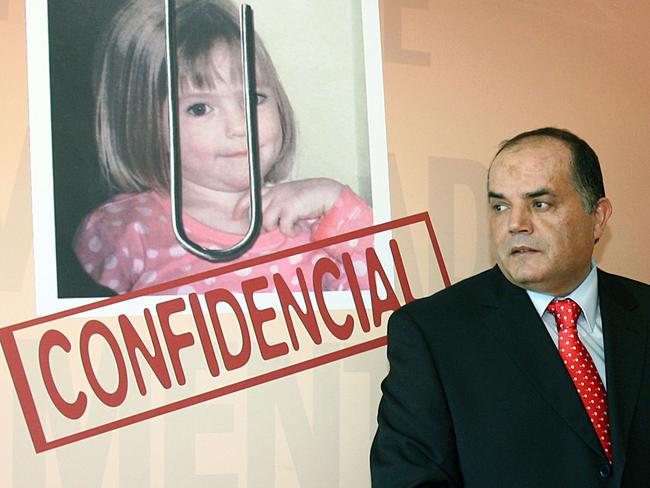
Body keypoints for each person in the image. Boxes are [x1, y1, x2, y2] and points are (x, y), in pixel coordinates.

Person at [370, 127, 650, 487]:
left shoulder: (641, 311)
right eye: (500, 206)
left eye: (540, 204)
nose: (515, 224)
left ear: (597, 216)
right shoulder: (433, 333)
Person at [73, 0, 372, 295]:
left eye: (255, 99)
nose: (241, 127)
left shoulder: (315, 223)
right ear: (142, 123)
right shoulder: (124, 231)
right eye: (200, 108)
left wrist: (335, 202)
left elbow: (389, 303)